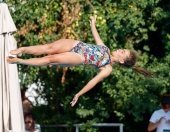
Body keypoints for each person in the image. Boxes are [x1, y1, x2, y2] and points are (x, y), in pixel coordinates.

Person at [6, 16, 153, 107]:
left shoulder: (108, 68)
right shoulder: (106, 49)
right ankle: (23, 50)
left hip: (80, 58)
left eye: (123, 52)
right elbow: (96, 37)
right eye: (123, 49)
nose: (120, 49)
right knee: (49, 47)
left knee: (50, 59)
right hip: (77, 45)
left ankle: (19, 61)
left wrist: (79, 94)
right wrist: (92, 24)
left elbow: (93, 82)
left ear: (122, 60)